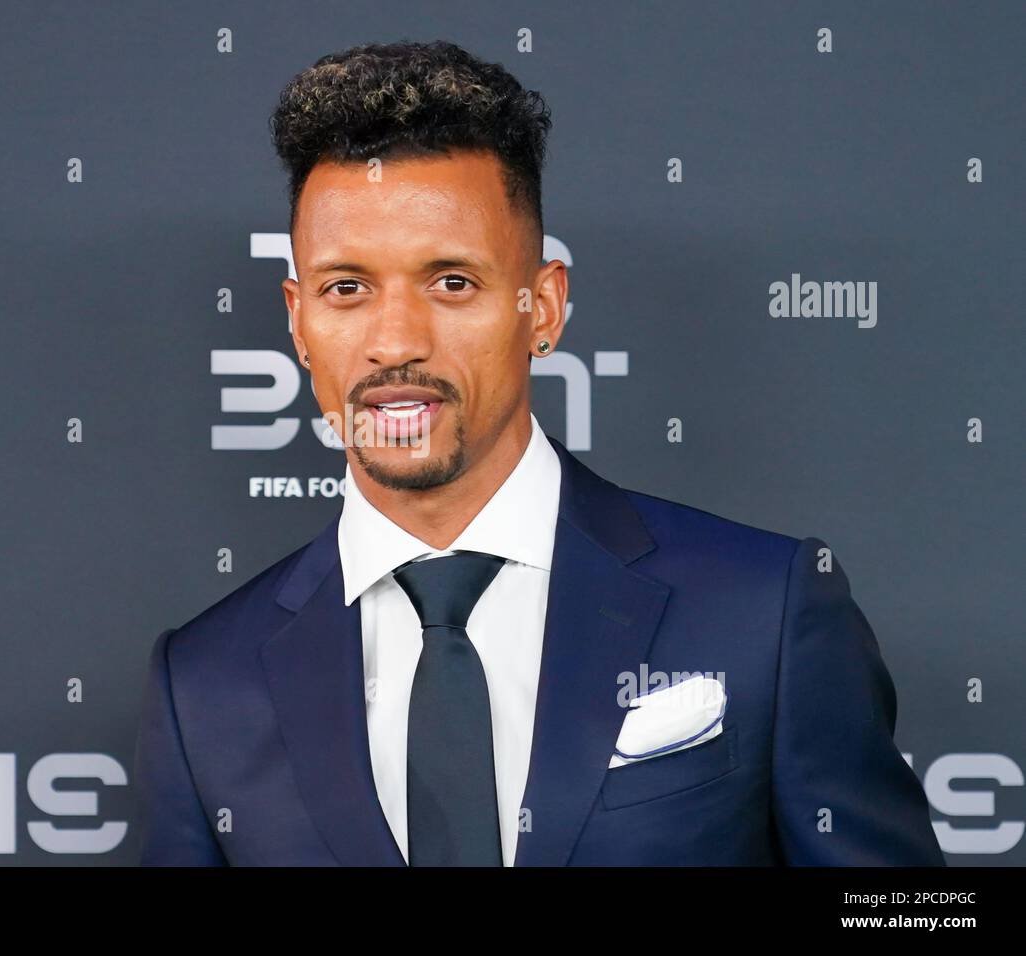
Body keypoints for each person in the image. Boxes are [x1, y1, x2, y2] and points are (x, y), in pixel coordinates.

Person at [133, 40, 944, 866]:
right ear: (300, 324)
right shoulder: (205, 683)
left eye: (452, 282)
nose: (395, 342)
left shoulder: (765, 610)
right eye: (348, 288)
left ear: (543, 308)